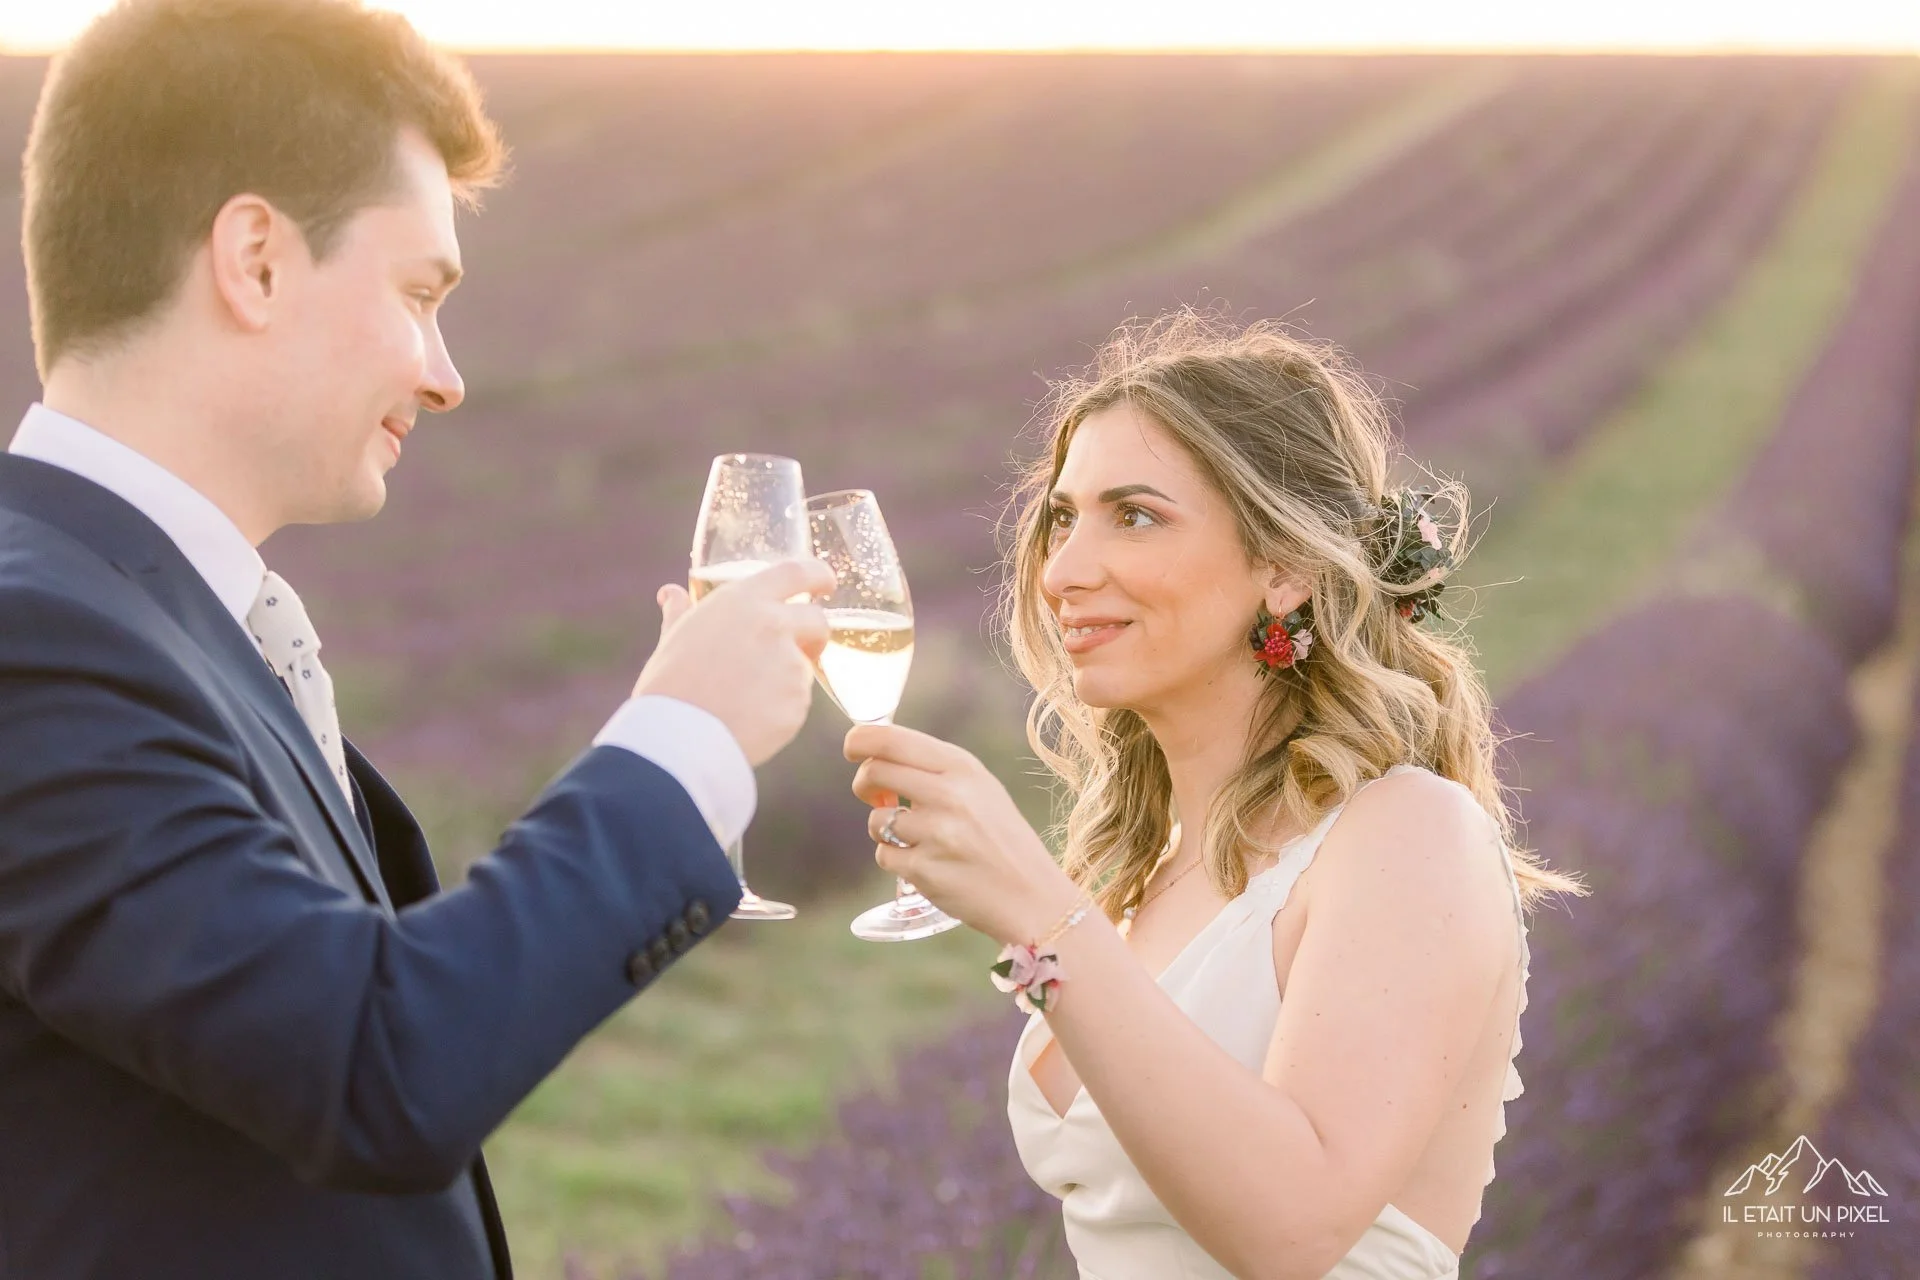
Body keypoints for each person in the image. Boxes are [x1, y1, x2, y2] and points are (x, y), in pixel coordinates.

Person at [0, 2, 832, 1277]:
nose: (447, 375)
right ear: (257, 260)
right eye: (419, 291)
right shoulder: (35, 634)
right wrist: (685, 736)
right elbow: (370, 1060)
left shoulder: (151, 615)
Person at [844, 314, 1587, 1279]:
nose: (1063, 571)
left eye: (1136, 515)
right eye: (1063, 518)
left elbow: (1292, 1228)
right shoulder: (1143, 874)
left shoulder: (1408, 834)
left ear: (1284, 569)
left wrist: (1040, 913)